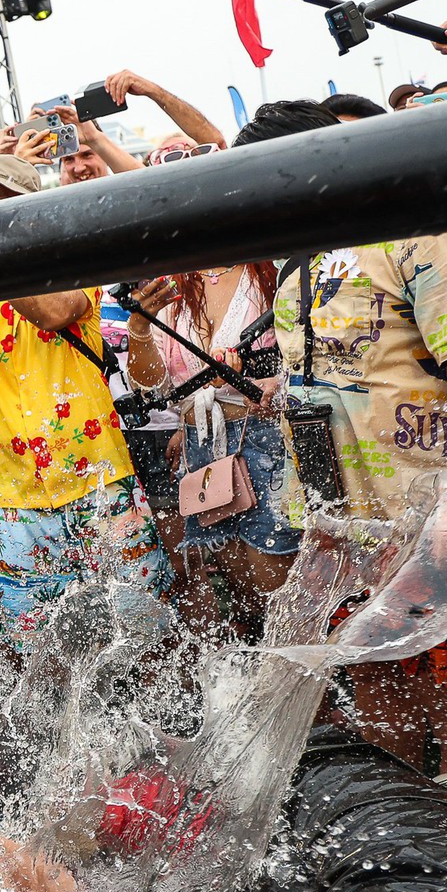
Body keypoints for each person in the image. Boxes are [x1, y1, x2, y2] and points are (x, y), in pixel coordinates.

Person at [248, 100, 447, 860]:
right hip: (341, 514)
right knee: (374, 677)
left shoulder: (423, 226)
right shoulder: (299, 254)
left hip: (422, 503)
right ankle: (416, 838)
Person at [0, 161, 172, 656]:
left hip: (100, 481)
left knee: (144, 638)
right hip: (15, 499)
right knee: (41, 658)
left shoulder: (74, 259)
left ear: (30, 206)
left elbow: (53, 312)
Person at [121, 258, 297, 634]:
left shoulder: (274, 269)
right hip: (201, 447)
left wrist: (273, 385)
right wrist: (139, 328)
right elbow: (153, 387)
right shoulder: (173, 284)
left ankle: (302, 685)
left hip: (264, 439)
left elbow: (306, 359)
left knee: (278, 591)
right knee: (239, 595)